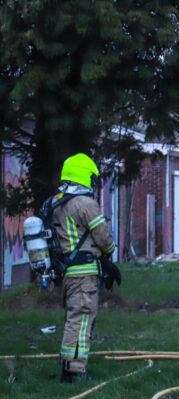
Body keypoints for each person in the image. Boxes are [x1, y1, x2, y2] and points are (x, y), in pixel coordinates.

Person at [47, 154, 116, 383]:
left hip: (68, 271)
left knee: (73, 317)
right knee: (83, 317)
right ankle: (74, 371)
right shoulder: (85, 203)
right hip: (84, 272)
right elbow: (104, 238)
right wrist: (110, 252)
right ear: (85, 176)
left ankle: (69, 366)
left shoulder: (56, 202)